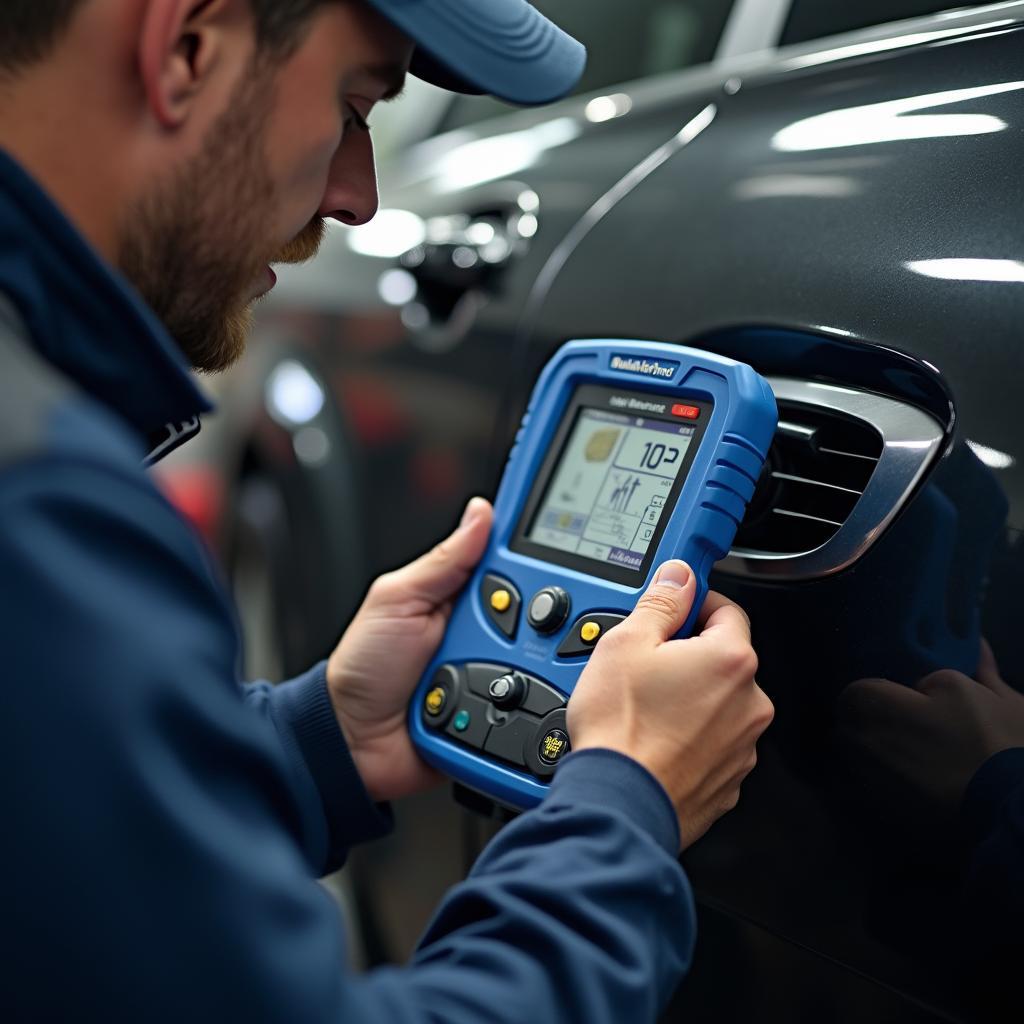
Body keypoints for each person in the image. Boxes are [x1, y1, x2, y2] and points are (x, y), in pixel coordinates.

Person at [0, 1, 774, 1021]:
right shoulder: (39, 509)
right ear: (189, 45)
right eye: (354, 101)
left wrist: (319, 741)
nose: (360, 197)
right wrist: (621, 810)